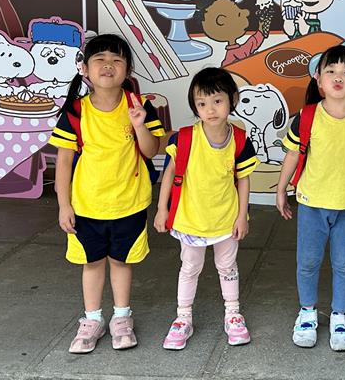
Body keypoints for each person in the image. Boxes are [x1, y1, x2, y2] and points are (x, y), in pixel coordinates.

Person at [50, 34, 167, 354]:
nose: (108, 65)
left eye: (117, 60)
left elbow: (151, 150)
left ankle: (121, 317)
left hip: (129, 203)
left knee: (121, 261)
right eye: (99, 59)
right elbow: (63, 162)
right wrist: (63, 205)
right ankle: (92, 320)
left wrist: (139, 125)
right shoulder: (76, 111)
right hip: (86, 205)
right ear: (85, 69)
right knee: (91, 263)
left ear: (128, 69)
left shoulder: (140, 106)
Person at [276, 45, 345, 351]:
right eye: (331, 71)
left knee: (344, 264)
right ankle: (307, 312)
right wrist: (281, 189)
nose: (338, 77)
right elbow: (292, 155)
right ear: (318, 78)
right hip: (312, 204)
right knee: (308, 263)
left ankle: (340, 315)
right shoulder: (307, 116)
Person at [154, 67, 259, 349]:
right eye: (202, 103)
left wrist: (242, 216)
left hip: (226, 218)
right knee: (190, 267)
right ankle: (183, 317)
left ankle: (233, 313)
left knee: (227, 266)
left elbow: (243, 180)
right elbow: (168, 173)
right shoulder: (185, 138)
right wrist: (162, 209)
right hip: (190, 218)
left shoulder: (239, 140)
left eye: (217, 101)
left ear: (233, 99)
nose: (210, 109)